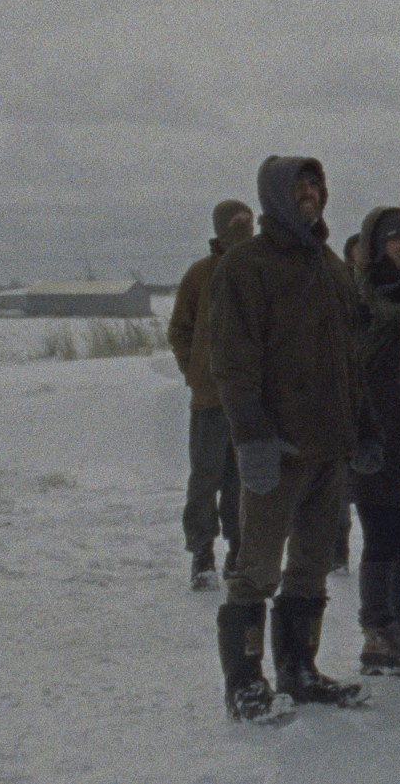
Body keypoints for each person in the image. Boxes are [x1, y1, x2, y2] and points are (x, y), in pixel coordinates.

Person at [209, 156, 382, 722]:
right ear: (275, 196)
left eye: (315, 184)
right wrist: (252, 438)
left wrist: (365, 427)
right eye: (299, 185)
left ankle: (299, 671)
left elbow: (352, 360)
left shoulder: (332, 267)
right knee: (257, 570)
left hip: (331, 448)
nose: (310, 193)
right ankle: (244, 683)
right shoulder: (247, 265)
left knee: (310, 567)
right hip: (278, 450)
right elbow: (233, 361)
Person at [349, 207, 400, 675]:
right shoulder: (358, 301)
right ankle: (376, 631)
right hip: (376, 434)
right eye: (394, 238)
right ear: (375, 247)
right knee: (381, 534)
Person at [168, 199, 252, 591]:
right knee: (205, 478)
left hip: (250, 399)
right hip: (209, 399)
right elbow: (179, 329)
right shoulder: (200, 274)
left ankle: (239, 550)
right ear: (219, 227)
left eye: (247, 220)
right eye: (234, 221)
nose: (242, 226)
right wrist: (195, 371)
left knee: (242, 481)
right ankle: (202, 555)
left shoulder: (259, 269)